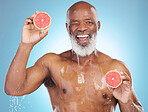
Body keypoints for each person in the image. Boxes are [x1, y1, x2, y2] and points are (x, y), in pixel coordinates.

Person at [4, 1, 144, 112]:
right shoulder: (51, 63)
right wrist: (26, 44)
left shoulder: (115, 68)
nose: (82, 28)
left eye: (89, 22)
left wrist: (126, 101)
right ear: (67, 27)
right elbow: (13, 89)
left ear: (98, 26)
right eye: (75, 23)